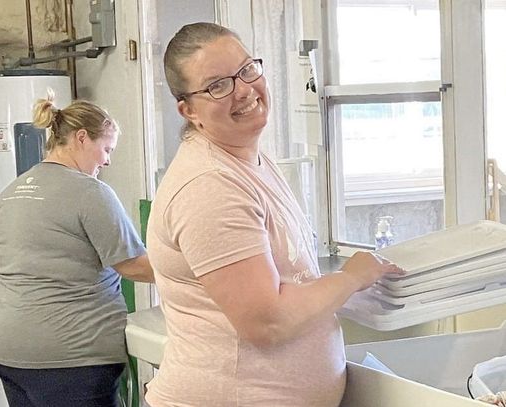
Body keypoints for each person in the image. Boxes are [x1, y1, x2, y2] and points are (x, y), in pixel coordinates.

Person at [145, 22, 403, 407]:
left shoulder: (252, 159)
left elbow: (285, 281)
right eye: (218, 85)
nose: (244, 90)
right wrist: (351, 278)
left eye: (247, 69)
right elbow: (268, 322)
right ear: (189, 110)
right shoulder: (209, 185)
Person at [0, 92, 154, 407]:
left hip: (0, 344)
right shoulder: (91, 192)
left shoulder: (11, 191)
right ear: (82, 138)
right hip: (66, 355)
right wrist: (206, 270)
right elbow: (134, 265)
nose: (107, 160)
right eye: (106, 149)